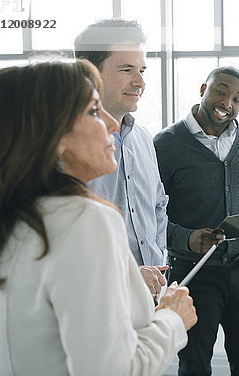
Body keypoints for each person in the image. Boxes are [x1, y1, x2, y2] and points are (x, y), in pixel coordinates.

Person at [0, 61, 197, 375]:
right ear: (51, 134)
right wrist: (172, 318)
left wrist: (123, 278)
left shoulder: (6, 217)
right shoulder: (86, 219)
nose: (112, 124)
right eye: (94, 111)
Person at [153, 66, 239, 376]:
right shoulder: (165, 145)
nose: (228, 102)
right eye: (221, 91)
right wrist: (186, 238)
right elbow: (150, 216)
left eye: (238, 98)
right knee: (194, 364)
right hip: (192, 272)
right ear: (202, 89)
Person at [74, 19, 169, 302]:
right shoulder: (62, 145)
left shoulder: (143, 139)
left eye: (141, 70)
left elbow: (158, 206)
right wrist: (127, 274)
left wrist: (157, 260)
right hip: (96, 297)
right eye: (126, 70)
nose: (139, 82)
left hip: (151, 292)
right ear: (89, 74)